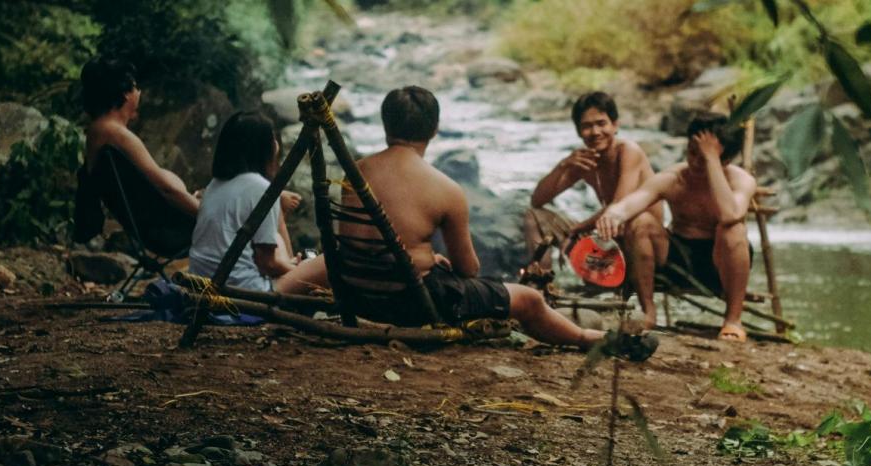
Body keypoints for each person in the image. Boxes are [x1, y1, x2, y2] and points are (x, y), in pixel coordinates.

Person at [278, 87, 605, 349]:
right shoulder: (446, 188)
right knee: (530, 298)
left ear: (385, 125)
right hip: (408, 302)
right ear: (434, 129)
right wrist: (432, 261)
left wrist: (419, 255)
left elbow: (370, 239)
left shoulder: (357, 170)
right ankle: (587, 339)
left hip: (355, 289)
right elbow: (468, 270)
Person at [594, 111, 758, 340]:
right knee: (641, 221)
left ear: (726, 160)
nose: (695, 162)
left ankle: (733, 320)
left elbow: (729, 214)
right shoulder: (674, 177)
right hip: (676, 258)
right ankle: (649, 311)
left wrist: (711, 158)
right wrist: (613, 214)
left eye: (703, 157)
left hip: (720, 263)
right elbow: (633, 202)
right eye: (692, 152)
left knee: (733, 229)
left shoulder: (741, 180)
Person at [523, 92, 664, 276]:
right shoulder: (586, 160)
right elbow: (537, 200)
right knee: (533, 216)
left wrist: (578, 228)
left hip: (641, 245)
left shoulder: (628, 151)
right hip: (608, 240)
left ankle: (605, 273)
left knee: (621, 222)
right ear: (578, 131)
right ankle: (541, 281)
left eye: (601, 123)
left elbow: (619, 207)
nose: (595, 132)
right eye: (587, 126)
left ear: (615, 125)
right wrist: (563, 165)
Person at [188, 111, 307, 291]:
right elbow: (268, 264)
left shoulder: (214, 185)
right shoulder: (261, 189)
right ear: (265, 148)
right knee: (325, 265)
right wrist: (295, 270)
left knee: (275, 238)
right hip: (243, 291)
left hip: (202, 284)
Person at [80, 57, 198, 217]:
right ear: (126, 94)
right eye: (135, 87)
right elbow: (166, 189)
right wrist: (203, 212)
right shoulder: (116, 134)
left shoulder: (99, 130)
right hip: (163, 224)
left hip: (147, 219)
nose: (139, 92)